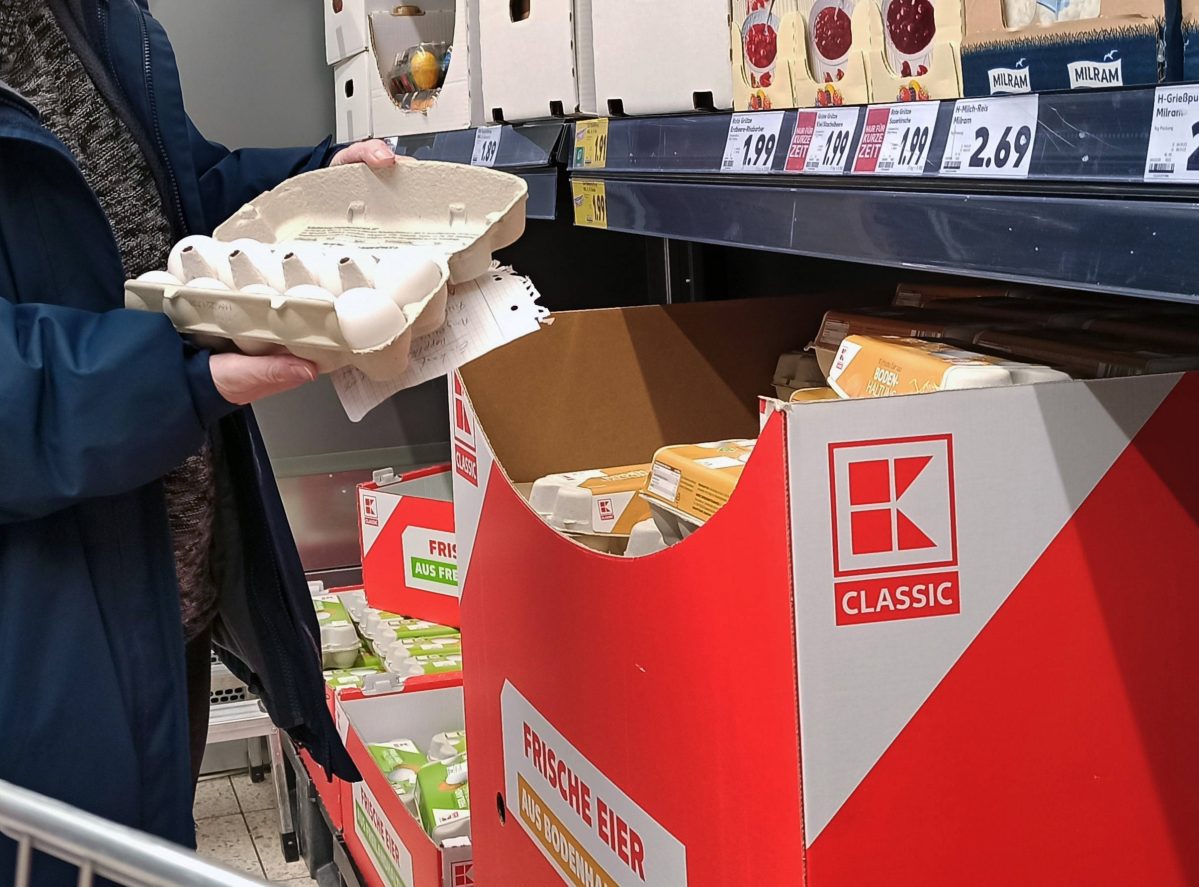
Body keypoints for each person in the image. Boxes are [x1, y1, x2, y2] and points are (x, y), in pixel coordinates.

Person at [0, 1, 395, 881]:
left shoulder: (83, 19)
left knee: (141, 846)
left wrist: (317, 186)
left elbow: (169, 206)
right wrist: (184, 371)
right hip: (45, 633)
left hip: (155, 594)